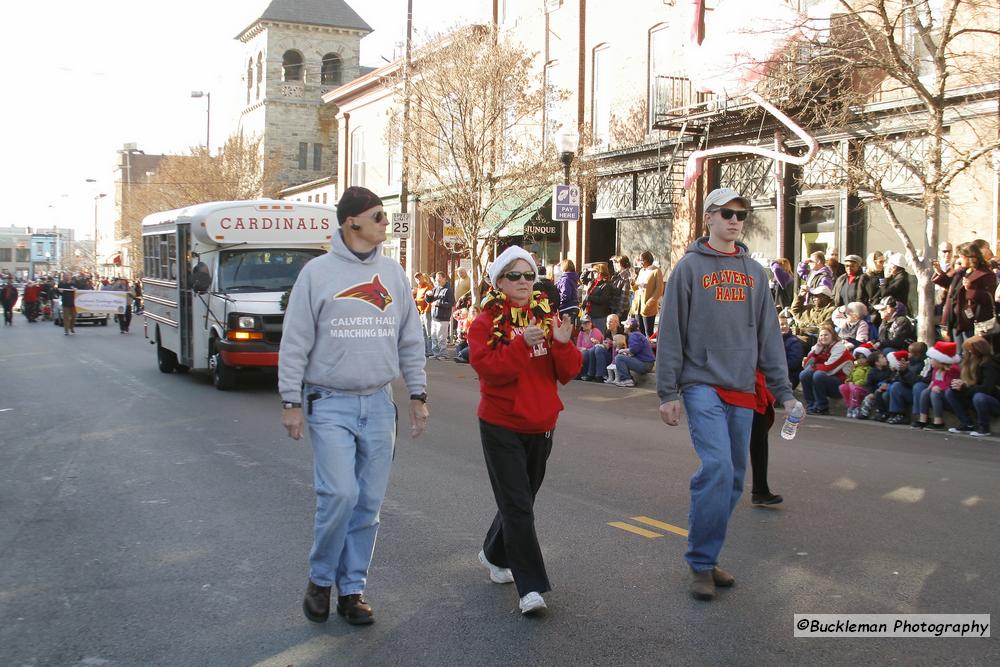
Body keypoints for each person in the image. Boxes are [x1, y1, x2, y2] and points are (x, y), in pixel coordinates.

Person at [277, 186, 429, 627]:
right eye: (379, 216)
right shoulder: (317, 274)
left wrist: (417, 395)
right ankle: (320, 580)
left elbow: (410, 340)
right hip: (329, 402)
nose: (386, 222)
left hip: (379, 404)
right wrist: (291, 401)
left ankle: (352, 590)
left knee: (368, 504)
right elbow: (296, 342)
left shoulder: (395, 274)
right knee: (339, 495)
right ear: (352, 223)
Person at [656, 187, 796, 602]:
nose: (736, 220)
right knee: (716, 466)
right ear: (710, 219)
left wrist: (784, 393)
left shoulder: (755, 272)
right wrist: (667, 391)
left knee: (734, 479)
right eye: (727, 213)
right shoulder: (688, 268)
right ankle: (700, 563)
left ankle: (708, 555)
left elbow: (769, 337)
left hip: (741, 386)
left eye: (741, 213)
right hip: (701, 383)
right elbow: (671, 332)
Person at [468, 245, 579, 615]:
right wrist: (519, 344)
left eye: (529, 275)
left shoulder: (546, 317)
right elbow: (489, 370)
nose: (523, 282)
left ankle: (492, 553)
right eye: (514, 276)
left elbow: (568, 372)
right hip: (501, 425)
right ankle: (530, 587)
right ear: (498, 281)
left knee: (521, 502)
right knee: (517, 506)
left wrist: (562, 345)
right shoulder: (484, 323)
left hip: (541, 424)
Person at [934, 242, 997, 348]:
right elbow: (948, 283)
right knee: (957, 352)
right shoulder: (961, 271)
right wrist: (939, 272)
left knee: (971, 352)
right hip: (955, 319)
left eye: (962, 257)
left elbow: (988, 297)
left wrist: (970, 289)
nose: (960, 259)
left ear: (971, 258)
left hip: (972, 322)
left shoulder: (986, 274)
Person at [944, 335, 1000, 435]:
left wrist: (965, 387)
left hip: (992, 401)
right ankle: (967, 424)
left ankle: (984, 428)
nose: (965, 354)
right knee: (950, 392)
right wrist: (958, 386)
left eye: (968, 351)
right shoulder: (967, 363)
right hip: (974, 396)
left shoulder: (990, 364)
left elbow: (988, 389)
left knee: (979, 397)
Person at [799, 324, 853, 415]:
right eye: (821, 335)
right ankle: (811, 405)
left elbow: (829, 367)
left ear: (833, 336)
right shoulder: (819, 346)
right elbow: (806, 365)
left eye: (826, 335)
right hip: (824, 378)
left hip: (840, 384)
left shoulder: (839, 348)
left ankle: (822, 407)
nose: (823, 337)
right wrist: (815, 353)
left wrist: (814, 367)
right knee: (804, 374)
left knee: (818, 375)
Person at [748, 370, 782, 506]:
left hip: (756, 389)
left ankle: (760, 490)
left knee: (759, 441)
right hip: (733, 387)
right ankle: (717, 489)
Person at [913, 341, 961, 430]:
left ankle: (938, 421)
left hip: (947, 394)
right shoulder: (936, 369)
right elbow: (933, 381)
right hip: (937, 391)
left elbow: (949, 384)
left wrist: (939, 388)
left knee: (934, 394)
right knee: (925, 392)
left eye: (933, 359)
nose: (931, 361)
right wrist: (931, 387)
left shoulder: (952, 370)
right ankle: (923, 419)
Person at [885, 342, 929, 424]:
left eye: (911, 353)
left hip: (920, 392)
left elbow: (922, 380)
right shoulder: (908, 363)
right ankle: (898, 414)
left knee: (918, 386)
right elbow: (900, 380)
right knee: (896, 386)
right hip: (909, 390)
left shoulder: (926, 363)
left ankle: (919, 416)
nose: (908, 354)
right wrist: (902, 372)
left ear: (917, 354)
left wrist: (906, 372)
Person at [612, 317, 655, 387]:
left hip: (645, 364)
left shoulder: (634, 335)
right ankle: (628, 379)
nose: (624, 327)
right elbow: (635, 351)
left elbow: (634, 350)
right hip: (646, 363)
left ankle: (626, 380)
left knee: (619, 358)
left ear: (629, 326)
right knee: (622, 357)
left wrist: (622, 350)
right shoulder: (637, 334)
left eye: (625, 325)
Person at [581, 313, 622, 381]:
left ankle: (601, 374)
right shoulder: (607, 332)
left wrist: (610, 343)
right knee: (593, 349)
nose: (608, 323)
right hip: (608, 354)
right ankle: (591, 374)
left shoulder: (621, 332)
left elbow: (621, 346)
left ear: (617, 323)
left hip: (616, 357)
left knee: (598, 350)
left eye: (610, 322)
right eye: (607, 322)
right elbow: (605, 345)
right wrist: (600, 343)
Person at [425, 271, 455, 360]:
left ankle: (443, 354)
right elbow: (429, 301)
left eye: (439, 278)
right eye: (436, 278)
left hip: (443, 317)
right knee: (434, 336)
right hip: (434, 316)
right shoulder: (436, 288)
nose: (437, 280)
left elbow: (451, 303)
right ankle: (436, 353)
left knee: (441, 337)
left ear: (444, 278)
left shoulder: (448, 290)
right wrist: (428, 296)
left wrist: (438, 303)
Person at [633, 251, 664, 337]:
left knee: (648, 333)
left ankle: (649, 350)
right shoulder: (642, 271)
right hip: (638, 305)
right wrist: (632, 283)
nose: (640, 263)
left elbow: (659, 290)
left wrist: (649, 303)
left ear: (647, 260)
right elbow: (635, 287)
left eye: (641, 260)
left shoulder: (656, 271)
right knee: (639, 331)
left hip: (648, 306)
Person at [839, 345, 874, 418]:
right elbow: (850, 376)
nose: (861, 360)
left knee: (854, 388)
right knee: (842, 387)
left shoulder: (868, 368)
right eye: (859, 358)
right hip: (853, 386)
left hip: (863, 388)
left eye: (863, 358)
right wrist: (848, 381)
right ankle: (850, 406)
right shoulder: (855, 367)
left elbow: (866, 379)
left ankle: (856, 407)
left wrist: (856, 383)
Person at [583, 263, 615, 334]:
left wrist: (590, 297)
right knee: (589, 335)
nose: (593, 273)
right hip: (589, 313)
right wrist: (588, 270)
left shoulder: (606, 285)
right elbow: (582, 279)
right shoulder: (593, 282)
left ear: (600, 273)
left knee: (598, 335)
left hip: (599, 315)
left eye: (595, 272)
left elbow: (603, 299)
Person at [779, 312, 804, 388]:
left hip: (789, 377)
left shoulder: (794, 342)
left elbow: (793, 363)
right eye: (782, 324)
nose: (785, 326)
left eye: (786, 324)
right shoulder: (771, 340)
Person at [575, 314, 605, 379]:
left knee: (585, 354)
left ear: (591, 323)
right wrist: (582, 349)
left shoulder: (596, 331)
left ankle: (586, 373)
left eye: (588, 322)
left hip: (594, 352)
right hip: (584, 351)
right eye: (584, 323)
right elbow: (577, 346)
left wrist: (585, 349)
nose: (587, 324)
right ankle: (577, 374)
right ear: (582, 325)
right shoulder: (581, 333)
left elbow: (595, 346)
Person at [610, 255, 634, 319]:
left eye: (617, 263)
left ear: (621, 264)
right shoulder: (617, 275)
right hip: (613, 307)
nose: (615, 265)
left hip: (620, 310)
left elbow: (624, 297)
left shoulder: (626, 277)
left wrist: (619, 313)